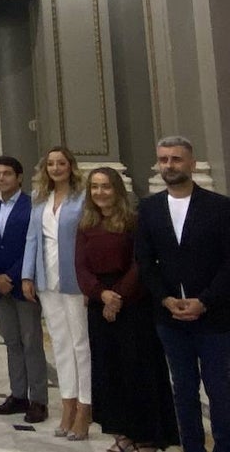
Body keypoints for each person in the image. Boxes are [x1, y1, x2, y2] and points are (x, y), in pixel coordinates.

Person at [135, 136, 230, 452]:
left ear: (191, 163)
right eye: (163, 160)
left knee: (220, 389)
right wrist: (165, 299)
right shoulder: (148, 209)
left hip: (215, 316)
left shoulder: (219, 207)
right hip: (170, 317)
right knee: (184, 389)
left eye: (176, 159)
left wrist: (204, 301)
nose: (169, 165)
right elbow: (145, 261)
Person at [77, 167, 179, 452]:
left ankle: (146, 437)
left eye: (106, 186)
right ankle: (121, 434)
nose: (100, 192)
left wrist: (118, 296)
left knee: (138, 370)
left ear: (117, 190)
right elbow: (81, 266)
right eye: (95, 187)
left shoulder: (134, 221)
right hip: (100, 303)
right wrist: (101, 294)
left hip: (133, 303)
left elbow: (140, 262)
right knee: (109, 372)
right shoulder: (86, 223)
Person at [22, 146, 91, 440]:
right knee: (61, 345)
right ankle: (66, 405)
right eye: (50, 163)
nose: (56, 167)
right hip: (46, 280)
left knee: (80, 345)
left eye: (61, 163)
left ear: (70, 166)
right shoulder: (40, 200)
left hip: (75, 280)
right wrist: (27, 275)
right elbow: (32, 238)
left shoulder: (82, 199)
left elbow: (88, 240)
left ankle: (84, 410)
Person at [0, 155, 48, 424]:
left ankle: (38, 399)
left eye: (7, 173)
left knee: (31, 342)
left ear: (19, 177)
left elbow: (33, 245)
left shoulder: (33, 205)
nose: (1, 178)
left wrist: (14, 275)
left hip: (24, 284)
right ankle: (18, 394)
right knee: (11, 341)